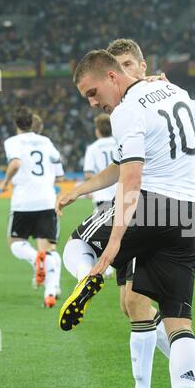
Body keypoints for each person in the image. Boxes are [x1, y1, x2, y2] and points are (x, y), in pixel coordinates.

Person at [56, 49, 195, 388]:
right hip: (186, 215)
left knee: (76, 246)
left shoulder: (126, 111)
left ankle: (87, 277)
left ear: (113, 77)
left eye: (92, 92)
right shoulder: (175, 92)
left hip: (150, 205)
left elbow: (130, 182)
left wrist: (113, 247)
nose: (93, 103)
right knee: (178, 319)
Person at [105, 38, 195, 388]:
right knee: (131, 304)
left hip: (152, 209)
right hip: (162, 210)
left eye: (127, 64)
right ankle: (191, 375)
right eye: (115, 67)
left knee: (139, 304)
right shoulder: (138, 103)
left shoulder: (144, 100)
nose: (121, 74)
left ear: (140, 64)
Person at [0, 107, 63, 308]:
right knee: (50, 247)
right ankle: (51, 292)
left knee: (15, 242)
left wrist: (5, 182)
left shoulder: (12, 141)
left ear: (16, 124)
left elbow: (16, 163)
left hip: (23, 201)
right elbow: (58, 162)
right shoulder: (45, 141)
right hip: (46, 200)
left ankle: (36, 259)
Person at [83, 113, 116, 279]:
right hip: (122, 194)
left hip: (102, 194)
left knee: (103, 232)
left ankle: (107, 266)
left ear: (97, 130)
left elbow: (89, 174)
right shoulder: (120, 143)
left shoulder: (93, 148)